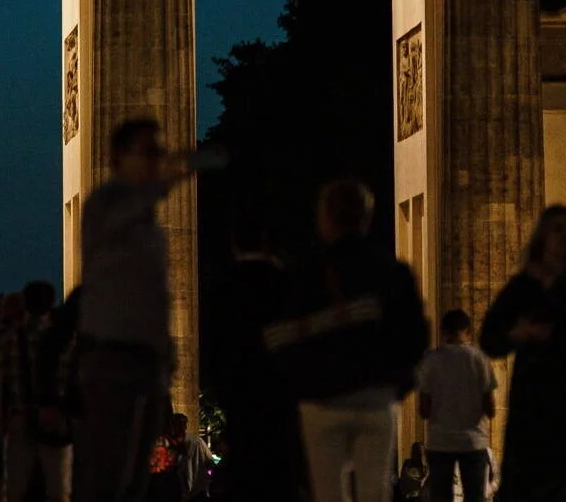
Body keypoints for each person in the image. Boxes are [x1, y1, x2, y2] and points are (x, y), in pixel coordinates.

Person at [277, 180, 428, 502]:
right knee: (375, 491)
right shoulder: (392, 271)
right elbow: (415, 337)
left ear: (325, 217)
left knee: (329, 492)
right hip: (375, 397)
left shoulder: (306, 273)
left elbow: (285, 337)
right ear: (366, 218)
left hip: (322, 399)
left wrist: (300, 387)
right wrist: (396, 388)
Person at [74, 118, 195, 502]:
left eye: (160, 151)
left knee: (136, 479)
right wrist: (158, 190)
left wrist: (167, 349)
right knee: (108, 474)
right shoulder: (103, 203)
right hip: (110, 355)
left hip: (146, 358)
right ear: (117, 157)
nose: (159, 159)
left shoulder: (149, 223)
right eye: (150, 151)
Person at [481, 206, 566, 502]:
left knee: (564, 482)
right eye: (557, 229)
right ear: (543, 237)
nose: (565, 236)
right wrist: (518, 334)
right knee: (522, 487)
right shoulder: (522, 286)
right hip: (532, 401)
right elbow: (490, 338)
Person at [211, 215, 300, 502]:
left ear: (234, 244)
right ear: (266, 242)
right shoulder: (288, 282)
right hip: (281, 404)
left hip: (241, 404)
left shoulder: (223, 287)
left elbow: (217, 351)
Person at [0, 280, 73, 502]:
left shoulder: (10, 338)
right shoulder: (65, 339)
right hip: (55, 419)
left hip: (20, 420)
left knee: (15, 491)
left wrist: (1, 427)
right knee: (59, 491)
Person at [416, 309, 497, 501]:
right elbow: (491, 409)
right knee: (475, 497)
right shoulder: (479, 360)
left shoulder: (430, 360)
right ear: (469, 331)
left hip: (440, 441)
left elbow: (424, 410)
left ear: (443, 332)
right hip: (473, 441)